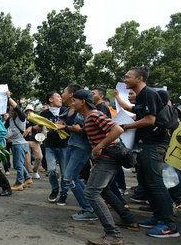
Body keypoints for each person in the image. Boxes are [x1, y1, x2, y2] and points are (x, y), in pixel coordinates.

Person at [74, 89, 138, 245]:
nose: (72, 103)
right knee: (103, 190)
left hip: (108, 159)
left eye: (74, 101)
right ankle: (128, 219)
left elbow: (118, 129)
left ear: (83, 102)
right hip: (106, 158)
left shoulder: (95, 115)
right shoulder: (88, 118)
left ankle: (113, 235)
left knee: (90, 192)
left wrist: (99, 146)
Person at [121, 67, 179, 238]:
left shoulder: (148, 93)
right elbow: (137, 112)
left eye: (127, 77)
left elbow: (150, 120)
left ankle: (169, 225)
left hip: (154, 144)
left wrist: (124, 126)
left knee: (154, 182)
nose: (125, 80)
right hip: (145, 143)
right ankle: (158, 217)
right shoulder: (141, 96)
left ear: (139, 78)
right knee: (146, 182)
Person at [58, 84, 97, 220]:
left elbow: (88, 129)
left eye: (63, 92)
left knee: (69, 177)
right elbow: (66, 125)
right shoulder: (67, 111)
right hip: (71, 145)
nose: (61, 95)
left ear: (72, 94)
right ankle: (90, 206)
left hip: (81, 147)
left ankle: (89, 209)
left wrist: (76, 129)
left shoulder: (86, 112)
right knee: (70, 177)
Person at [38, 91, 69, 205]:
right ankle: (55, 189)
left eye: (61, 97)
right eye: (58, 97)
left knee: (65, 173)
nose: (60, 98)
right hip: (49, 145)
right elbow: (39, 126)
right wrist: (35, 127)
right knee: (51, 170)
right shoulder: (44, 114)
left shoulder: (66, 111)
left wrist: (62, 127)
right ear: (50, 100)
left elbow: (70, 126)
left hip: (64, 146)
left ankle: (64, 194)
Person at [4, 92, 33, 191]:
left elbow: (17, 107)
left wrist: (9, 97)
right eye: (10, 110)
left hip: (21, 145)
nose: (11, 111)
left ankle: (19, 183)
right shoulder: (10, 120)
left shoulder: (22, 118)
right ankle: (28, 178)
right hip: (15, 144)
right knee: (17, 165)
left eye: (13, 110)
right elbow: (3, 129)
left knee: (19, 165)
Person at [22, 105, 43, 179]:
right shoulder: (23, 119)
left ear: (33, 112)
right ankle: (29, 174)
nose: (29, 112)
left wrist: (31, 128)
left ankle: (35, 170)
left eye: (30, 110)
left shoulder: (36, 119)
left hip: (35, 140)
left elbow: (39, 127)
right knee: (27, 160)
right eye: (27, 110)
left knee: (39, 157)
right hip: (25, 140)